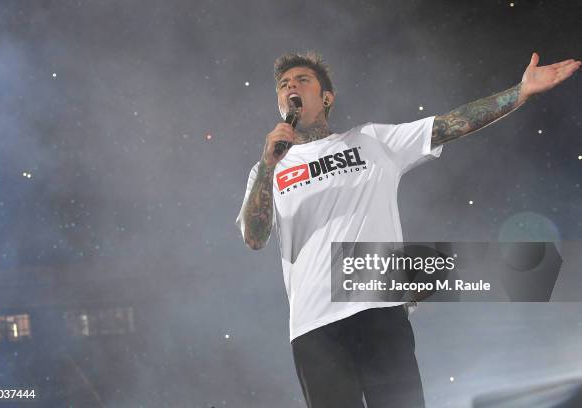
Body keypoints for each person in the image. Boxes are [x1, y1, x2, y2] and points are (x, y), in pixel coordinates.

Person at [235, 51, 580, 407]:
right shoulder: (267, 171)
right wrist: (268, 164)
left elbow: (451, 124)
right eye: (283, 84)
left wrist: (520, 92)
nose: (290, 86)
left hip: (377, 309)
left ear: (326, 97)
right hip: (313, 324)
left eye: (302, 80)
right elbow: (254, 237)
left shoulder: (371, 140)